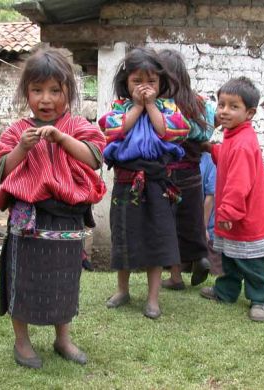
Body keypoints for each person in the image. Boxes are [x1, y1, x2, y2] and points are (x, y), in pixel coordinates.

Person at [0, 46, 106, 368]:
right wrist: (20, 150)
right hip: (28, 219)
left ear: (68, 91)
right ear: (26, 92)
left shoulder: (79, 126)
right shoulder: (16, 131)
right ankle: (22, 341)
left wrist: (61, 139)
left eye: (55, 90)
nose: (46, 98)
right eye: (37, 90)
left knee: (64, 281)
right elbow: (1, 169)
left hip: (67, 221)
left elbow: (95, 156)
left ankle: (62, 338)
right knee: (23, 278)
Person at [98, 47, 190, 319]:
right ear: (125, 83)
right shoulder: (120, 108)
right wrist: (137, 106)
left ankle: (152, 298)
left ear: (161, 83)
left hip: (157, 183)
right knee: (123, 235)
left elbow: (168, 131)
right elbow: (115, 130)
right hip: (127, 182)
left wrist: (149, 105)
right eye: (136, 81)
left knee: (157, 237)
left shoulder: (168, 107)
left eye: (151, 81)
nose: (144, 87)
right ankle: (123, 289)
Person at [200, 76, 264, 322]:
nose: (224, 111)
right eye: (221, 104)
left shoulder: (243, 143)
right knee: (230, 259)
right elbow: (226, 155)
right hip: (234, 216)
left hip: (246, 217)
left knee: (251, 263)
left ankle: (261, 300)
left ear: (250, 113)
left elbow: (238, 184)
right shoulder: (234, 136)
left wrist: (226, 215)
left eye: (233, 107)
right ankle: (226, 291)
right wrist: (211, 149)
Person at [158, 49, 216, 291]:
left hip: (166, 174)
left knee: (168, 225)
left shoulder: (162, 107)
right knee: (190, 221)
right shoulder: (198, 104)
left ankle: (175, 276)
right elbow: (206, 133)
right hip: (192, 173)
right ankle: (200, 256)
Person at [200, 152, 222, 276]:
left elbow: (210, 197)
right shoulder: (181, 159)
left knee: (213, 270)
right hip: (190, 229)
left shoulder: (209, 161)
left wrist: (203, 226)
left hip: (209, 231)